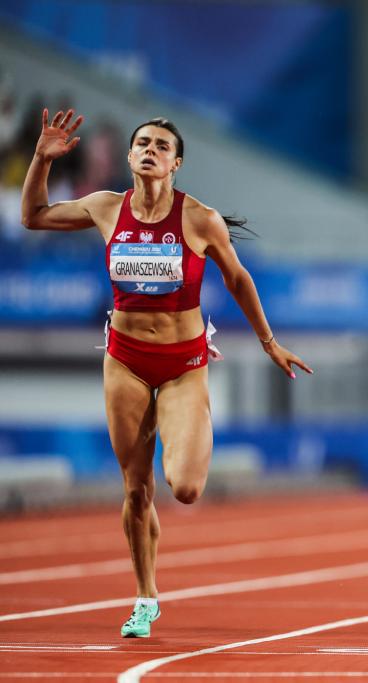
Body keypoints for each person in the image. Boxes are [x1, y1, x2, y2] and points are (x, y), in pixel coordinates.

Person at [21, 108, 312, 638]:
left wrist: (269, 342)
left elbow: (238, 278)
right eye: (142, 143)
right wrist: (41, 159)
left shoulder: (199, 218)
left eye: (161, 145)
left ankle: (193, 424)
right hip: (125, 361)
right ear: (130, 156)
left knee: (186, 487)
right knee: (136, 491)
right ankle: (145, 597)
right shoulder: (106, 207)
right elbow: (34, 217)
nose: (150, 150)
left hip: (183, 365)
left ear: (176, 163)